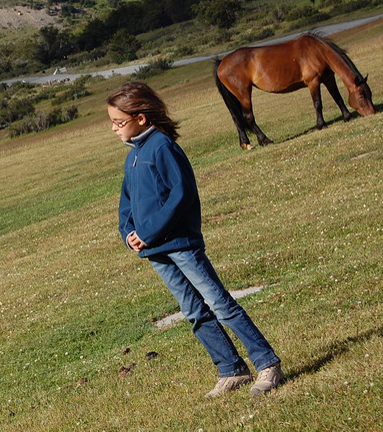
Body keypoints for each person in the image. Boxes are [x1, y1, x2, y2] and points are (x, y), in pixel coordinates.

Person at [107, 81, 284, 397]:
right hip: (155, 251)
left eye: (119, 122)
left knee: (220, 303)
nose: (114, 129)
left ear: (141, 118)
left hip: (180, 245)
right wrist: (128, 233)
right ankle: (231, 369)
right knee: (193, 311)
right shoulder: (132, 155)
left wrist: (147, 233)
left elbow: (182, 195)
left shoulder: (162, 147)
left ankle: (267, 363)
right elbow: (127, 202)